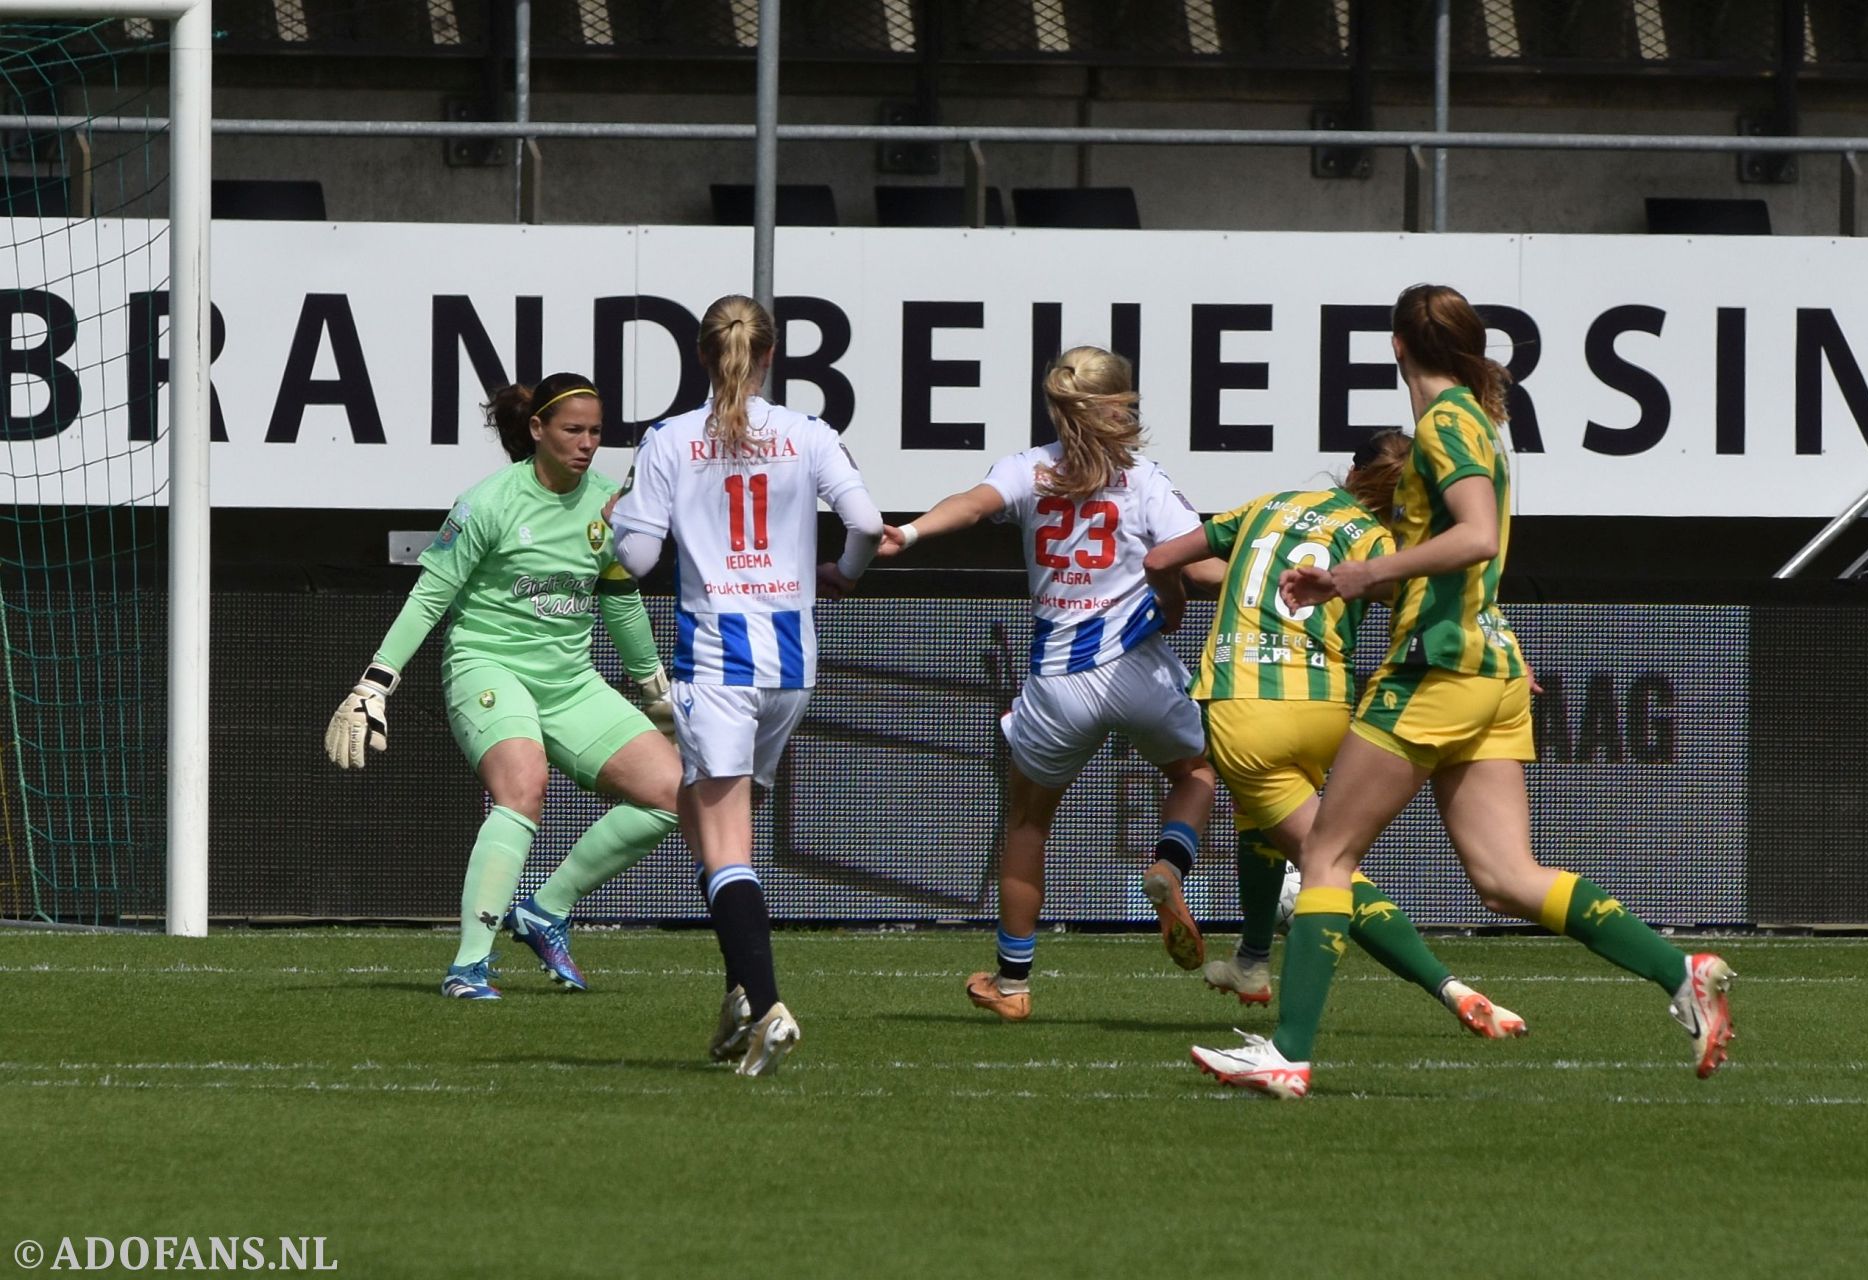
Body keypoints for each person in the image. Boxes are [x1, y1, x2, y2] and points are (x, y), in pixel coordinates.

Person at [1191, 285, 1734, 1098]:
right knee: (1508, 876)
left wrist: (1359, 574)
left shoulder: (1445, 423)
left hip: (1435, 672)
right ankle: (1678, 970)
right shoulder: (1476, 422)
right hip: (1487, 670)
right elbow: (1469, 556)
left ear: (1397, 347)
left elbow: (1475, 535)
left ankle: (1289, 1053)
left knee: (1329, 856)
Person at [1145, 430, 1527, 1039]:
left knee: (1327, 867)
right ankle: (1249, 962)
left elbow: (1163, 560)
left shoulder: (1268, 505)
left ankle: (1448, 987)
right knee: (1262, 825)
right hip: (1326, 706)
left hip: (1244, 706)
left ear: (1351, 470)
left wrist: (1180, 603)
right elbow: (1448, 610)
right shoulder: (1385, 546)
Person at [879, 345, 1217, 1022]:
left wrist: (910, 533)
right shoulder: (1146, 480)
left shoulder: (1028, 472)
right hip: (1138, 668)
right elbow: (1196, 564)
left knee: (1030, 822)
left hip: (1058, 682)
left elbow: (973, 507)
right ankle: (1169, 867)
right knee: (1197, 775)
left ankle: (1012, 984)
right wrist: (1266, 582)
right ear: (1123, 406)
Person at [324, 373, 681, 1000]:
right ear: (537, 430)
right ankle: (469, 965)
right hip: (488, 667)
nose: (587, 443)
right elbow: (431, 596)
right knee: (524, 786)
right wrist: (375, 683)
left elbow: (621, 604)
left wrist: (654, 689)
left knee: (671, 792)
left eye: (596, 431)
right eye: (573, 430)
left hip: (570, 681)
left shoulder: (609, 508)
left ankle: (545, 910)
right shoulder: (488, 502)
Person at [608, 294, 882, 1077]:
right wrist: (842, 575)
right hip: (791, 666)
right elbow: (865, 521)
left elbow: (634, 561)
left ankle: (767, 1007)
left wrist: (614, 519)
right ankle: (738, 993)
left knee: (720, 844)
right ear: (770, 357)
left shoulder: (669, 440)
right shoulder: (808, 433)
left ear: (702, 356)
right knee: (727, 836)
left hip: (716, 665)